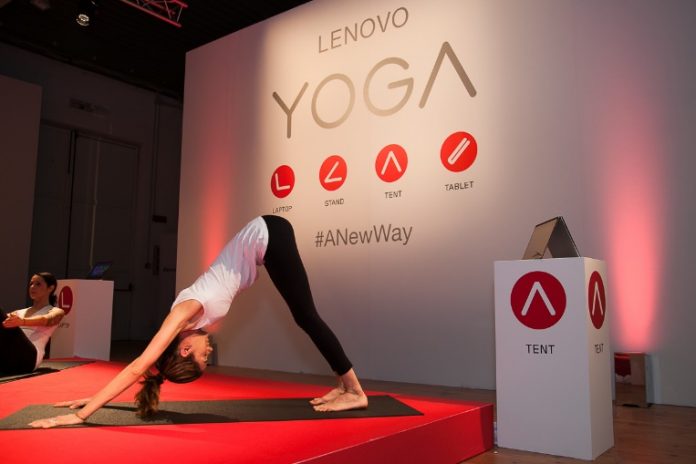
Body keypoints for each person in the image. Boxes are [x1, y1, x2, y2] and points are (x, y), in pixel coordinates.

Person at [30, 215, 367, 428]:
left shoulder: (184, 314)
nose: (210, 351)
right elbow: (149, 373)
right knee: (303, 316)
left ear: (185, 350)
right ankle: (344, 386)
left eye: (203, 357)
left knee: (306, 316)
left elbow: (138, 367)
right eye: (209, 358)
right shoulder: (190, 322)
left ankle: (354, 391)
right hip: (266, 239)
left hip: (268, 235)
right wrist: (91, 398)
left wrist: (81, 414)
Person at [1, 272, 65, 375]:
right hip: (9, 356)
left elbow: (46, 319)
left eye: (38, 284)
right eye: (31, 284)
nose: (32, 287)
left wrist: (22, 321)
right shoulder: (19, 312)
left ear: (50, 288)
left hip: (29, 358)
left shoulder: (56, 311)